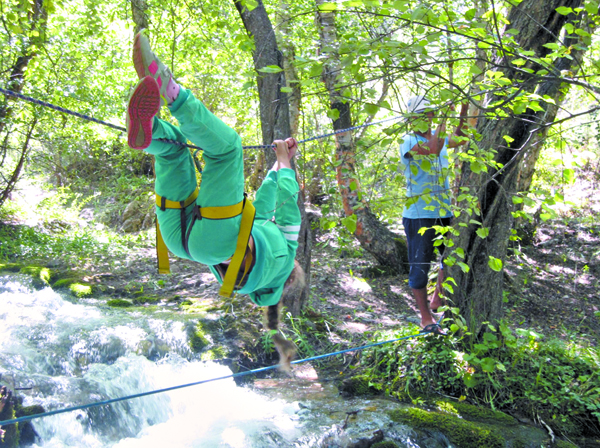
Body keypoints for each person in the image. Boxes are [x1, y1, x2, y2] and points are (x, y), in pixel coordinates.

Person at [126, 30, 302, 369]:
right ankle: (149, 134)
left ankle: (170, 91)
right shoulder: (254, 281)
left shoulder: (285, 253)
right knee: (174, 151)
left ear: (290, 274)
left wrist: (284, 162)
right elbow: (265, 204)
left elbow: (284, 202)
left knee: (226, 149)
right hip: (182, 242)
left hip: (216, 242)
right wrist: (279, 165)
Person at [400, 95, 468, 332]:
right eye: (421, 114)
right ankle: (425, 318)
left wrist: (464, 107)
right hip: (419, 214)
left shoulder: (437, 137)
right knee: (420, 266)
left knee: (449, 259)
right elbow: (432, 149)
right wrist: (445, 117)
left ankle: (437, 298)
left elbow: (461, 137)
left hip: (444, 211)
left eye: (429, 112)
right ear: (412, 119)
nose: (426, 117)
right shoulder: (408, 141)